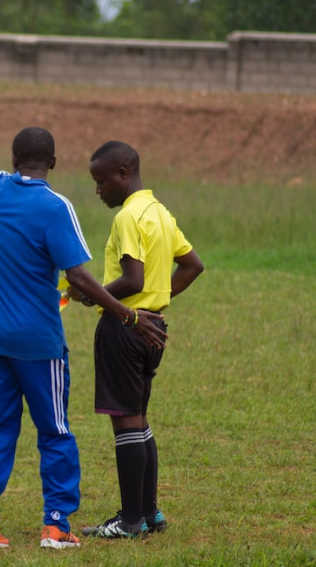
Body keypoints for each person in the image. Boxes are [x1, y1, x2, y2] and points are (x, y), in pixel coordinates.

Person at [0, 129, 167, 551]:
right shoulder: (56, 206)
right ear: (52, 162)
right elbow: (78, 275)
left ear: (14, 161)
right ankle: (55, 526)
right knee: (54, 430)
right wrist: (128, 315)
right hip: (38, 343)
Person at [75, 140, 203, 539]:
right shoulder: (160, 213)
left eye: (101, 181)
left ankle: (130, 522)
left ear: (123, 174)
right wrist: (156, 303)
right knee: (140, 420)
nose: (98, 190)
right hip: (152, 327)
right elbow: (193, 265)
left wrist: (91, 292)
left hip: (126, 328)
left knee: (126, 422)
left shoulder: (129, 217)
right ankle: (149, 514)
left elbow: (133, 279)